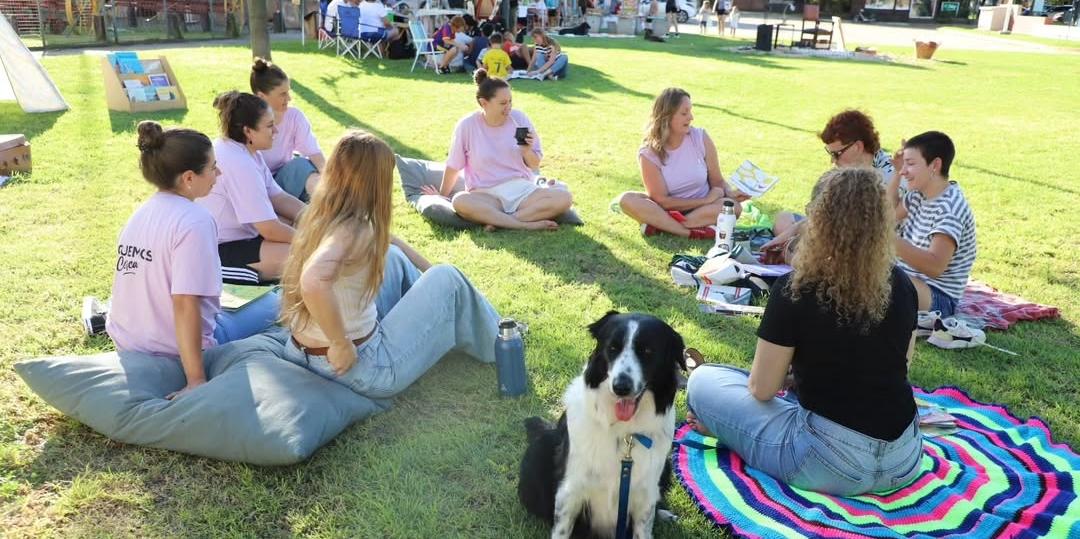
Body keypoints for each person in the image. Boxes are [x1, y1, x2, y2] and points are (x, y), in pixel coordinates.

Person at [686, 168, 923, 497]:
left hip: (828, 461)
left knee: (704, 380)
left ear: (818, 220)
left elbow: (762, 389)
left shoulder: (795, 290)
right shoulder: (901, 284)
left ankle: (723, 425)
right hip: (905, 459)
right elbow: (901, 364)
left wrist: (792, 375)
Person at [280, 131, 501, 399]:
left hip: (301, 353)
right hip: (362, 366)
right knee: (449, 277)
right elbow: (314, 279)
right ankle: (502, 341)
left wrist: (429, 272)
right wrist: (340, 344)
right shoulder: (353, 230)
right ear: (375, 180)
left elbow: (388, 241)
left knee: (396, 258)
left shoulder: (320, 213)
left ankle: (453, 318)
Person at [106, 122, 223, 400]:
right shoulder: (195, 221)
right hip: (171, 349)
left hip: (128, 342)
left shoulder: (141, 213)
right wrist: (196, 380)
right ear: (189, 178)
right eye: (213, 167)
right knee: (270, 303)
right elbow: (184, 302)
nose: (218, 173)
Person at [422, 70, 573, 231]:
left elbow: (534, 164)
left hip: (521, 190)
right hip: (485, 194)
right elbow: (453, 166)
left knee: (564, 197)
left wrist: (527, 151)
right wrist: (442, 196)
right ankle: (525, 224)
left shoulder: (519, 119)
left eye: (510, 102)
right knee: (459, 201)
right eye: (502, 103)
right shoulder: (467, 125)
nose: (508, 107)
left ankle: (499, 221)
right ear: (484, 103)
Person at [199, 91, 305, 285]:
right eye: (270, 126)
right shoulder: (238, 161)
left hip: (242, 236)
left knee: (300, 228)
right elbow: (270, 229)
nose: (276, 132)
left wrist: (318, 219)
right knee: (311, 258)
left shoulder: (247, 153)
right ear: (248, 131)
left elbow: (279, 197)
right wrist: (314, 239)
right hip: (218, 250)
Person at [763, 109, 899, 260]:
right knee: (784, 218)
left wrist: (793, 237)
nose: (833, 161)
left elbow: (849, 228)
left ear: (857, 147)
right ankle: (792, 252)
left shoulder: (887, 178)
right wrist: (791, 232)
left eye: (836, 154)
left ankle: (794, 255)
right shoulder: (850, 173)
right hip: (835, 232)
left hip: (861, 245)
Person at [617, 88, 745, 239]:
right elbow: (661, 200)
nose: (691, 117)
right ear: (666, 117)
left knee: (733, 208)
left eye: (690, 111)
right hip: (669, 208)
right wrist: (705, 200)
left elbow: (717, 182)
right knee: (626, 200)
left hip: (703, 209)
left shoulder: (700, 137)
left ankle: (662, 225)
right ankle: (689, 232)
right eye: (684, 113)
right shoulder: (648, 153)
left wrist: (731, 193)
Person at [891, 131, 976, 317]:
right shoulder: (917, 195)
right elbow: (888, 216)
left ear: (935, 165)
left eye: (911, 164)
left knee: (880, 280)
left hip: (938, 300)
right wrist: (897, 173)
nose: (905, 170)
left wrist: (890, 240)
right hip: (908, 283)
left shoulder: (950, 207)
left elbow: (935, 266)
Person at [249, 58, 325, 203]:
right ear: (261, 96)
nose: (289, 98)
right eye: (282, 94)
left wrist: (333, 182)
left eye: (288, 92)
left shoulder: (294, 116)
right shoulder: (248, 125)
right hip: (261, 188)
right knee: (301, 165)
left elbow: (315, 153)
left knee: (308, 165)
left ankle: (335, 203)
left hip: (286, 180)